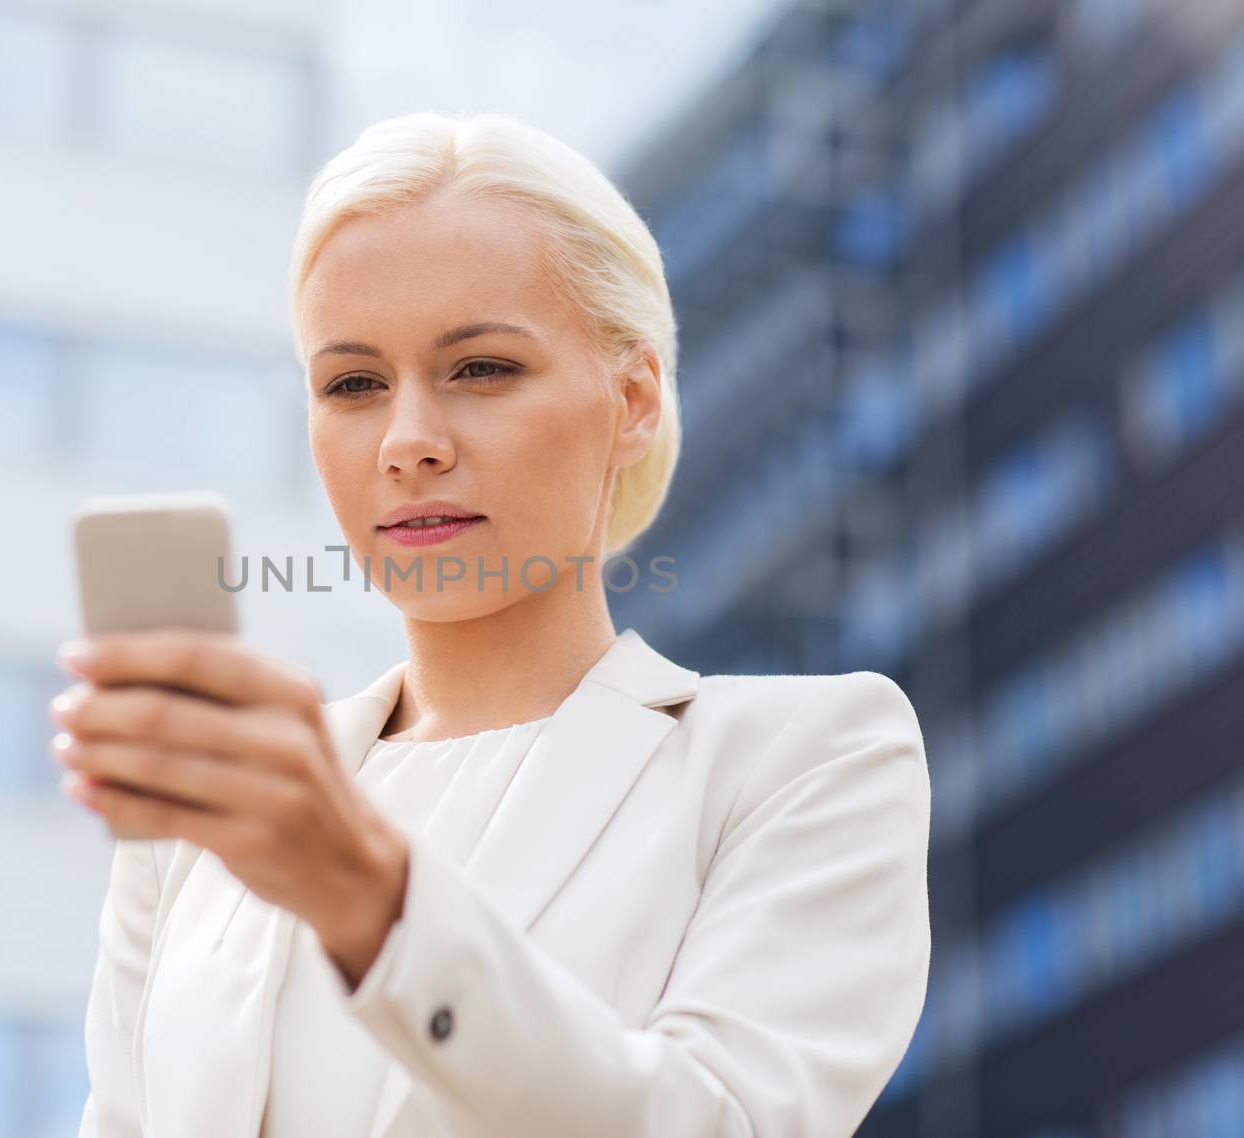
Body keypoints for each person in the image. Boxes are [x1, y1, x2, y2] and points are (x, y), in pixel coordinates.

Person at [50, 110, 931, 1138]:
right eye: (353, 384)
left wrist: (367, 896)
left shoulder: (800, 757)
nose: (408, 441)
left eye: (480, 369)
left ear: (633, 396)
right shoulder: (196, 840)